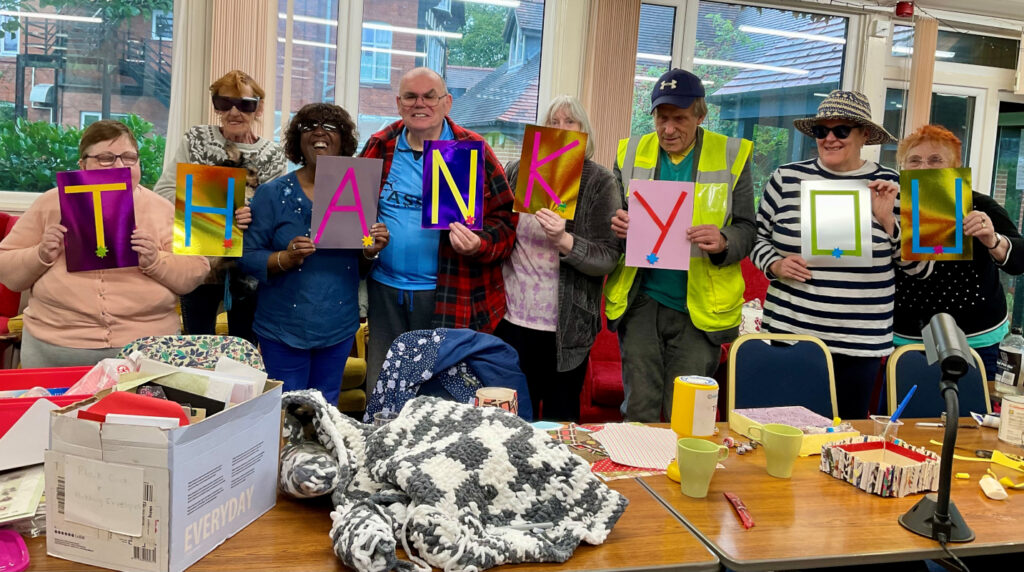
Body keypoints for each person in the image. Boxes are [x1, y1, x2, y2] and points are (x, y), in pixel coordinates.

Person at [750, 90, 932, 420]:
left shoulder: (895, 185)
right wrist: (775, 264)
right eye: (822, 131)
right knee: (780, 430)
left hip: (859, 341)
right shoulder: (785, 178)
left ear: (864, 135)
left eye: (841, 130)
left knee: (844, 437)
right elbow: (757, 238)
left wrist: (888, 221)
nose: (830, 138)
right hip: (791, 332)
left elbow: (922, 269)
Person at [605, 68, 756, 422]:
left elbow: (749, 229)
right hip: (640, 301)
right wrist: (616, 223)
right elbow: (610, 219)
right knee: (638, 412)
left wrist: (723, 240)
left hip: (699, 311)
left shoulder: (732, 155)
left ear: (701, 116)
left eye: (679, 119)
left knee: (689, 418)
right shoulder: (630, 152)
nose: (668, 129)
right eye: (661, 118)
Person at [0, 120, 210, 368]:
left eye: (129, 157)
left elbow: (197, 271)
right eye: (107, 158)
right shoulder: (50, 203)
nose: (121, 165)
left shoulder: (162, 209)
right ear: (82, 164)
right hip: (56, 347)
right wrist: (40, 254)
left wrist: (156, 260)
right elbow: (8, 271)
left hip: (147, 349)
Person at [358, 67, 517, 395]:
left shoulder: (473, 150)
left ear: (447, 103)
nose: (420, 104)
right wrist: (366, 244)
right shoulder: (380, 145)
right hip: (385, 292)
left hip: (449, 294)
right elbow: (356, 219)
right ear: (399, 104)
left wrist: (479, 244)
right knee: (385, 393)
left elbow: (506, 222)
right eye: (410, 97)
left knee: (443, 397)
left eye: (429, 96)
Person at [239, 103, 389, 406]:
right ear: (298, 140)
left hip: (338, 326)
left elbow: (358, 268)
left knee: (326, 411)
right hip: (282, 328)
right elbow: (248, 257)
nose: (319, 132)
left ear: (343, 139)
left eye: (330, 127)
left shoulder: (357, 191)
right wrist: (285, 258)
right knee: (285, 411)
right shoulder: (272, 193)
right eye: (309, 127)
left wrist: (371, 252)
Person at [494, 95, 622, 421]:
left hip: (566, 330)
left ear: (585, 132)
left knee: (558, 424)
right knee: (512, 421)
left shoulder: (599, 181)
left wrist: (565, 241)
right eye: (553, 121)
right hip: (511, 321)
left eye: (570, 122)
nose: (561, 128)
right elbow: (497, 232)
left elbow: (607, 257)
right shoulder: (517, 170)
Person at [153, 70, 286, 343]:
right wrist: (221, 205)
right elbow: (163, 192)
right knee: (196, 344)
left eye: (245, 104)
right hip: (199, 259)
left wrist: (248, 211)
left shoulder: (273, 154)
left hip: (249, 262)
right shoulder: (197, 140)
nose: (234, 112)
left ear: (259, 108)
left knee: (244, 347)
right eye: (224, 103)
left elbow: (275, 211)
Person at [893, 125, 1024, 377]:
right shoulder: (891, 206)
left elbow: (1018, 262)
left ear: (955, 164)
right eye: (914, 161)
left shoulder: (979, 205)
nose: (924, 168)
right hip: (905, 338)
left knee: (970, 413)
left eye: (935, 160)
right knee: (906, 413)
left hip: (975, 338)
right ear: (903, 167)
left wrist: (992, 239)